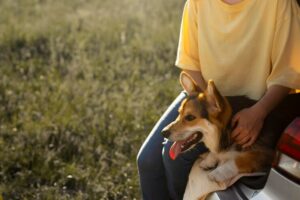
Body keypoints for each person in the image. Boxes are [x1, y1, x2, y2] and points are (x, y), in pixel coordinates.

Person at [137, 0, 300, 199]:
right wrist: (209, 105)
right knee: (146, 161)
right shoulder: (197, 3)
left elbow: (288, 72)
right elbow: (190, 63)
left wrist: (259, 112)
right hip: (204, 98)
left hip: (255, 105)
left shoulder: (279, 4)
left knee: (174, 160)